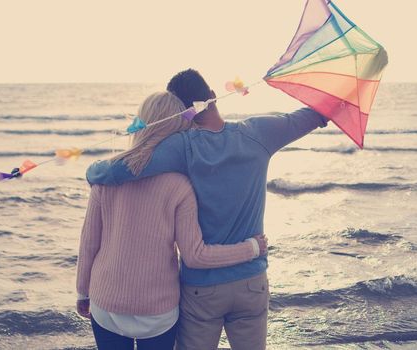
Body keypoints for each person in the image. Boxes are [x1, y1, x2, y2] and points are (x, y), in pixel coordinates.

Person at [86, 69, 328, 350]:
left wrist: (93, 171)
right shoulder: (259, 133)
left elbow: (125, 167)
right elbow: (312, 116)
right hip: (251, 281)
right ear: (213, 95)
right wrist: (343, 96)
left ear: (180, 114)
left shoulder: (181, 147)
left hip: (202, 289)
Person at [76, 91, 268, 350]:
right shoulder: (180, 186)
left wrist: (82, 293)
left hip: (106, 303)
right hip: (157, 311)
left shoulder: (107, 178)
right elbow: (195, 256)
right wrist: (252, 248)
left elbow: (89, 244)